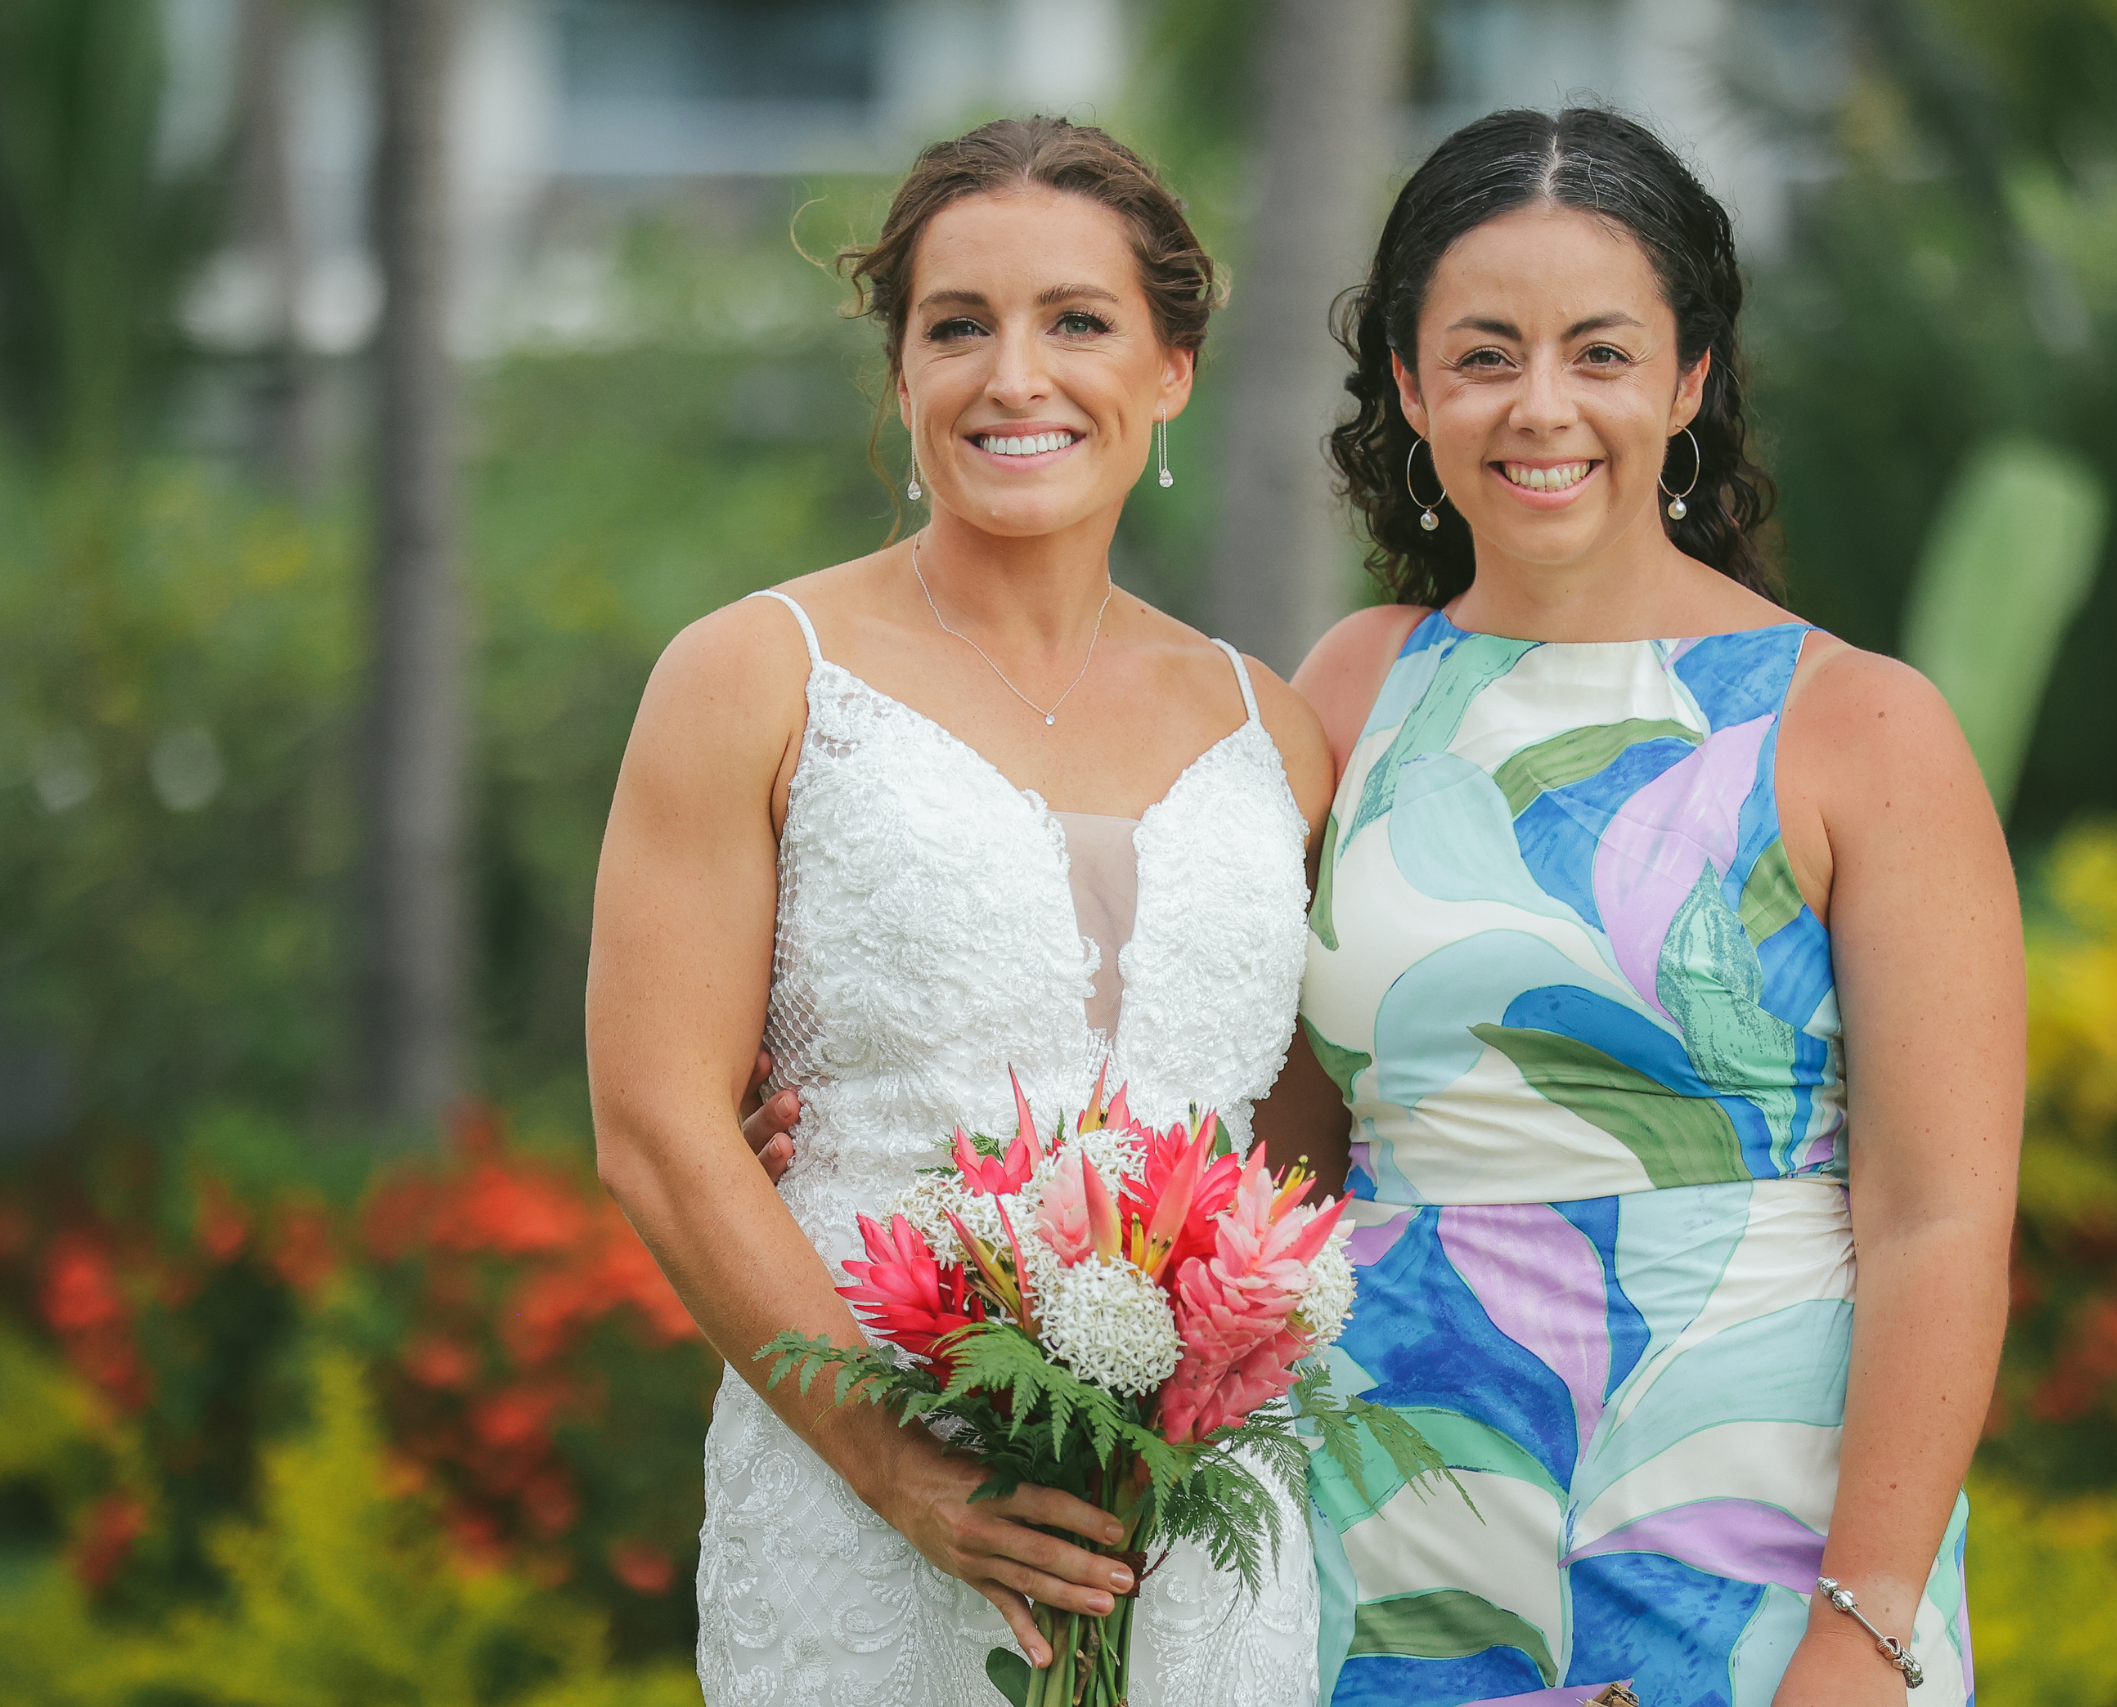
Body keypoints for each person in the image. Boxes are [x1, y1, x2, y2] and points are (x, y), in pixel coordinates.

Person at [587, 116, 1335, 1707]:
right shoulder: (754, 677)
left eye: (1078, 321)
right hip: (860, 1498)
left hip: (1196, 1526)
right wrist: (903, 1471)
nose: (1014, 377)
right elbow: (656, 1127)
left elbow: (1296, 1148)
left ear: (1172, 368)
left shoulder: (1274, 730)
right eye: (957, 326)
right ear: (901, 370)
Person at [1281, 108, 2024, 1706]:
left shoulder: (1858, 725)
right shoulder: (1348, 690)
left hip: (1747, 1535)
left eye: (1600, 352)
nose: (1541, 406)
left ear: (1690, 378)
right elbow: (1270, 1156)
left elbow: (1940, 1220)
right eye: (1485, 355)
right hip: (1382, 1519)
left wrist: (1867, 1628)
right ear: (1409, 384)